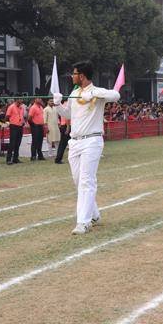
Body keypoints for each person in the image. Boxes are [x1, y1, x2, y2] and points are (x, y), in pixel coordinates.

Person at [53, 61, 120, 235]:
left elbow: (116, 95)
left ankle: (83, 222)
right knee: (78, 181)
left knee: (86, 181)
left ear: (81, 76)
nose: (72, 76)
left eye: (74, 73)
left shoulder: (97, 92)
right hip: (75, 142)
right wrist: (58, 105)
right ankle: (94, 214)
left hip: (92, 141)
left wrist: (94, 93)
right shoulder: (74, 93)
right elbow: (68, 114)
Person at [5, 98, 25, 165]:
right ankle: (8, 159)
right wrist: (8, 123)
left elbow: (21, 116)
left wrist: (22, 122)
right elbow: (7, 116)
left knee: (18, 143)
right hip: (13, 126)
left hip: (20, 126)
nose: (22, 100)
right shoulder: (11, 107)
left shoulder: (22, 107)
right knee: (12, 143)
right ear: (17, 99)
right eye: (20, 99)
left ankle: (15, 158)